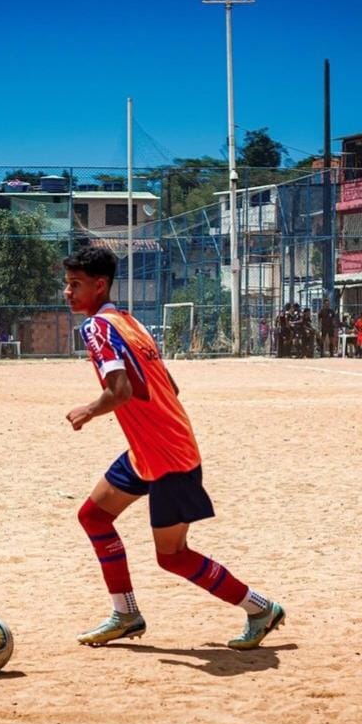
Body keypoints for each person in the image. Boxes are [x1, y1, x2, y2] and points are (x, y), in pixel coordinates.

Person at [63, 246, 284, 650]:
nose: (67, 292)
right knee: (94, 516)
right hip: (149, 451)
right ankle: (125, 614)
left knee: (172, 556)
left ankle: (261, 609)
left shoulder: (97, 328)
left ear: (100, 285)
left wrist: (88, 411)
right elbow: (171, 387)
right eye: (67, 284)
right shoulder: (131, 323)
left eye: (75, 284)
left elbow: (120, 391)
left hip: (167, 457)